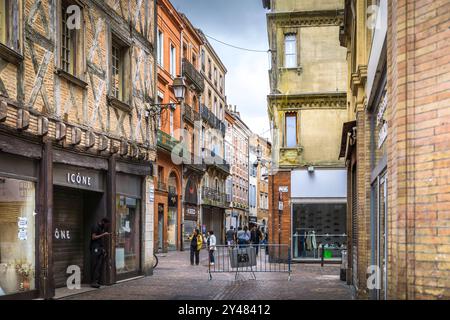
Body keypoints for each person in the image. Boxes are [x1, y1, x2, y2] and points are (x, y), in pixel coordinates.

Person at [90, 217, 111, 288]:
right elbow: (93, 237)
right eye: (106, 225)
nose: (107, 226)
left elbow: (100, 241)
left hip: (99, 248)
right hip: (95, 248)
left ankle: (96, 281)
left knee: (98, 265)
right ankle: (93, 282)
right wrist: (104, 234)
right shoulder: (95, 226)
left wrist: (103, 249)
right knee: (95, 264)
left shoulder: (101, 228)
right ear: (103, 222)